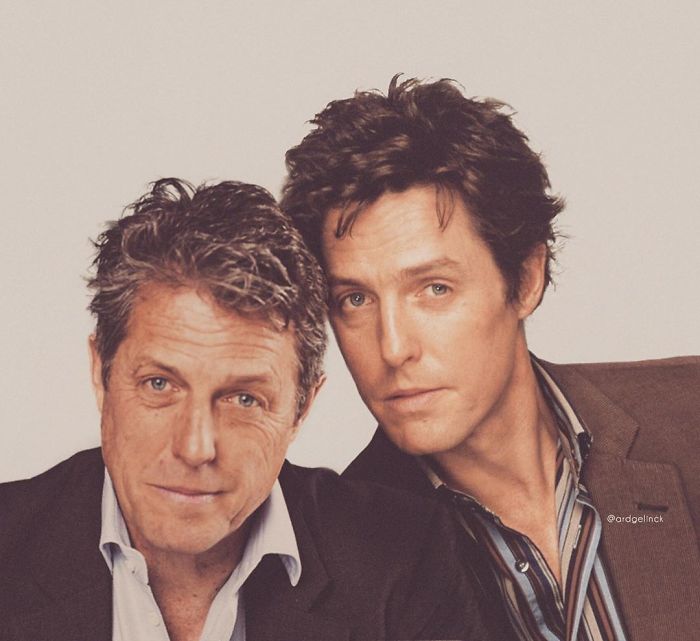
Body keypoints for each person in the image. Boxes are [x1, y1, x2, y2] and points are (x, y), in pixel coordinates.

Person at [281, 76, 700, 641]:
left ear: (526, 280)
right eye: (355, 300)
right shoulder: (339, 563)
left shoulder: (688, 418)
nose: (393, 347)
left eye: (434, 289)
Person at [0, 178, 498, 641]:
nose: (195, 447)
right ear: (100, 375)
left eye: (244, 399)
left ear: (301, 408)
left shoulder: (405, 557)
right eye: (159, 385)